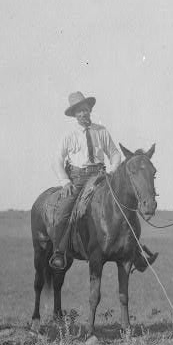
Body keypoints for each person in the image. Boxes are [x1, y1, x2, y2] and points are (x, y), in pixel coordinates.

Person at [49, 92, 125, 270]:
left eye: (85, 110)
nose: (83, 114)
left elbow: (114, 154)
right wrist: (65, 182)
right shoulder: (69, 135)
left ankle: (133, 250)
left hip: (100, 176)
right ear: (75, 115)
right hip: (78, 179)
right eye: (79, 111)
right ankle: (59, 252)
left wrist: (113, 171)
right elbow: (57, 161)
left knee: (123, 203)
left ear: (90, 110)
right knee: (64, 210)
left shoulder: (101, 131)